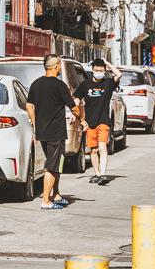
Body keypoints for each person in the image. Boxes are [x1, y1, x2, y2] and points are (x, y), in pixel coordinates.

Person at [26, 55, 82, 209]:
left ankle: (56, 194)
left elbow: (29, 105)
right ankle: (46, 201)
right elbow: (73, 107)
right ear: (56, 66)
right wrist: (81, 115)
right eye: (59, 65)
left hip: (42, 132)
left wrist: (35, 122)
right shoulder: (60, 85)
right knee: (52, 166)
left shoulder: (36, 84)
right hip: (55, 132)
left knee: (56, 163)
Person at [74, 57, 122, 185]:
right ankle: (97, 173)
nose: (99, 72)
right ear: (92, 70)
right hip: (90, 122)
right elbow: (77, 99)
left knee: (102, 147)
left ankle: (103, 174)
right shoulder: (85, 84)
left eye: (101, 70)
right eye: (96, 70)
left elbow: (118, 74)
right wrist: (76, 113)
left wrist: (108, 64)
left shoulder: (108, 83)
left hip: (103, 121)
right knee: (93, 150)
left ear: (104, 70)